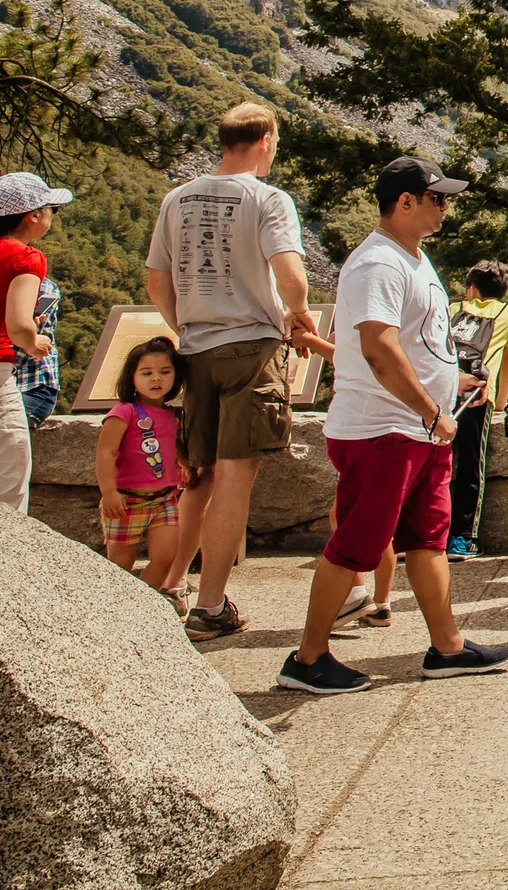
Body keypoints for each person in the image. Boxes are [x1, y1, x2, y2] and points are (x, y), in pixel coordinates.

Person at [279, 156, 508, 694]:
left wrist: (448, 386)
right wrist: (431, 410)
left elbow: (415, 344)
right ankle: (307, 656)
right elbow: (379, 349)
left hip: (420, 430)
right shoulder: (377, 263)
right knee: (356, 544)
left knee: (429, 540)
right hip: (383, 430)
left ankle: (447, 647)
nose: (446, 207)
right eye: (437, 197)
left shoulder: (412, 257)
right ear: (404, 201)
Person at [146, 104, 320, 642]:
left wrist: (186, 327)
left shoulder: (177, 198)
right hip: (252, 345)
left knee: (198, 474)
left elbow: (157, 279)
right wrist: (300, 315)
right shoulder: (268, 199)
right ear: (265, 140)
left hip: (197, 347)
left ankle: (172, 585)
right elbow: (290, 274)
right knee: (236, 478)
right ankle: (211, 604)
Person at [0, 171, 72, 514]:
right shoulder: (25, 258)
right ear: (32, 215)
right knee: (10, 481)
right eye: (50, 210)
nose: (50, 217)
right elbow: (17, 325)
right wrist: (36, 342)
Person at [445, 262, 508, 559]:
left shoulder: (453, 307)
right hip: (478, 397)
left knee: (431, 463)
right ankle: (462, 538)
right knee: (470, 465)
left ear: (472, 288)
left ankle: (415, 536)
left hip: (443, 391)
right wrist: (501, 401)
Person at [97, 335, 187, 592]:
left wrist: (186, 467)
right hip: (126, 501)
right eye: (146, 373)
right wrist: (109, 492)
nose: (156, 379)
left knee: (166, 556)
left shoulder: (172, 413)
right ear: (132, 378)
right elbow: (105, 452)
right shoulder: (124, 411)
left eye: (165, 372)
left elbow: (173, 446)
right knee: (120, 565)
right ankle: (118, 606)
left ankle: (143, 603)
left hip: (164, 499)